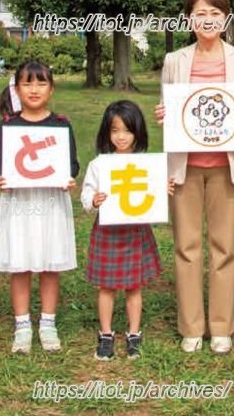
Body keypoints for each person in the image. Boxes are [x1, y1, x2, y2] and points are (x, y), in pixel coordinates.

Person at [154, 0, 234, 354]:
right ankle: (191, 327)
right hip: (184, 166)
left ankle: (221, 327)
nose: (208, 20)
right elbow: (169, 110)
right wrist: (163, 115)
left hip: (226, 165)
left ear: (226, 19)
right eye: (201, 13)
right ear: (189, 18)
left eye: (216, 14)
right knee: (186, 247)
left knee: (224, 247)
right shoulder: (174, 61)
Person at [0, 60, 79, 354]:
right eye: (27, 83)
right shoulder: (8, 125)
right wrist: (1, 179)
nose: (34, 89)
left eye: (41, 83)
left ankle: (48, 323)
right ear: (16, 89)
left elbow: (72, 164)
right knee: (21, 262)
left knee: (50, 263)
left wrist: (69, 179)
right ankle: (23, 324)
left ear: (51, 89)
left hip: (51, 202)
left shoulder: (61, 124)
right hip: (19, 204)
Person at [81, 100, 167, 360]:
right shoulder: (100, 164)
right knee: (105, 287)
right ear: (106, 133)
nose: (121, 136)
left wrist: (163, 190)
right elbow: (86, 190)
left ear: (137, 133)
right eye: (115, 130)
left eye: (127, 131)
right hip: (108, 230)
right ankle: (106, 334)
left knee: (134, 286)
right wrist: (92, 199)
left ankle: (133, 333)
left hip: (135, 231)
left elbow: (154, 193)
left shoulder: (145, 164)